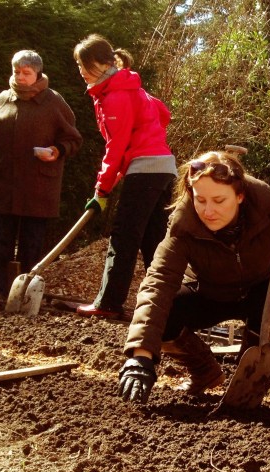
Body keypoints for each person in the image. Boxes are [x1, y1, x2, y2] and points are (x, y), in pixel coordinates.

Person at [116, 150, 270, 403]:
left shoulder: (266, 203)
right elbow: (157, 282)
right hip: (208, 290)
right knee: (165, 317)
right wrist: (140, 355)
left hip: (262, 285)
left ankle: (247, 379)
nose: (208, 210)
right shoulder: (183, 226)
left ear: (240, 196)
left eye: (218, 200)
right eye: (200, 200)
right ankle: (205, 372)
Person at [72, 34, 177, 319]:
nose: (81, 71)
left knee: (124, 237)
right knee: (154, 240)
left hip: (145, 168)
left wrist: (101, 189)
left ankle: (108, 303)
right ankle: (172, 305)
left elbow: (115, 146)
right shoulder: (132, 87)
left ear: (101, 63)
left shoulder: (116, 95)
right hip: (164, 166)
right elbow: (163, 114)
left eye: (84, 65)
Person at [0, 50, 82, 299]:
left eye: (26, 73)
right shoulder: (2, 100)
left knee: (32, 245)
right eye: (16, 72)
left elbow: (73, 139)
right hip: (4, 183)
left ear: (38, 74)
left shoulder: (54, 102)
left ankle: (27, 295)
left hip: (38, 186)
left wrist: (57, 150)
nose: (20, 77)